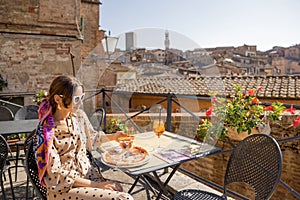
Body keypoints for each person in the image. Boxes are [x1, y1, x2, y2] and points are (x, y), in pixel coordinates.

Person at [35, 75, 134, 200]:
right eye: (76, 99)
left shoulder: (79, 117)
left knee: (119, 189)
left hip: (88, 176)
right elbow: (56, 175)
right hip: (64, 188)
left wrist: (114, 137)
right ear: (58, 99)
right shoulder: (46, 132)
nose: (81, 103)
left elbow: (92, 139)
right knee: (123, 198)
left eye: (82, 97)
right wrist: (97, 185)